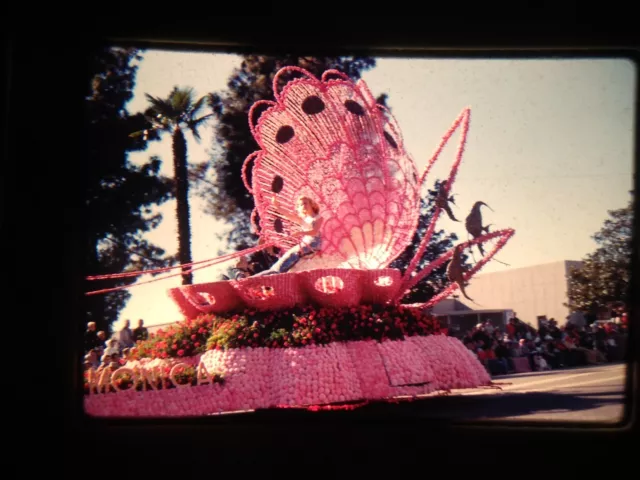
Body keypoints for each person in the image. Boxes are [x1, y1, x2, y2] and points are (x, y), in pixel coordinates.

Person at [253, 196, 323, 277]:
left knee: (293, 253)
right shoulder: (303, 219)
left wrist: (300, 233)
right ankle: (272, 272)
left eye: (305, 203)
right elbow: (288, 215)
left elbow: (314, 231)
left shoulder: (318, 218)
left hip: (313, 243)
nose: (303, 205)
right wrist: (277, 207)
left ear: (312, 204)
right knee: (288, 255)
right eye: (301, 205)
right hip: (306, 243)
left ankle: (276, 272)